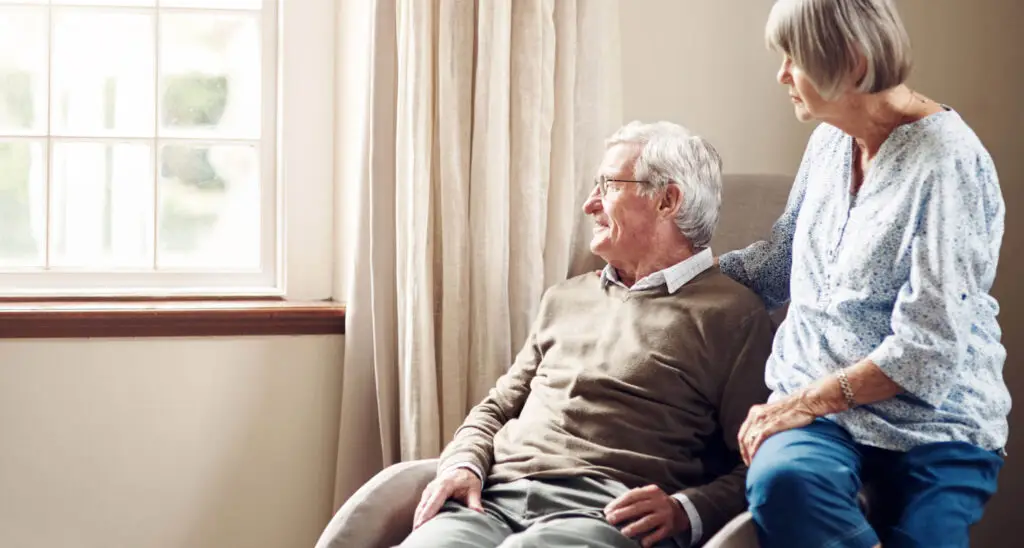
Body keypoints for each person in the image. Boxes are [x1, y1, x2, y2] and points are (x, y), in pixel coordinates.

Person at [399, 121, 774, 548]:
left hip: (605, 512)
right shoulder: (564, 297)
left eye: (608, 185)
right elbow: (497, 408)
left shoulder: (733, 316)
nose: (588, 204)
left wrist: (687, 509)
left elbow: (759, 460)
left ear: (668, 199)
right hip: (492, 500)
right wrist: (463, 465)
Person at [718, 1, 1010, 547]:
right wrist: (685, 275)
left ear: (851, 63)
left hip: (934, 422)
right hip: (825, 416)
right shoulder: (828, 140)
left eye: (793, 58)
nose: (781, 73)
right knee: (782, 483)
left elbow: (928, 349)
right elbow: (782, 259)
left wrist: (801, 403)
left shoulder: (946, 162)